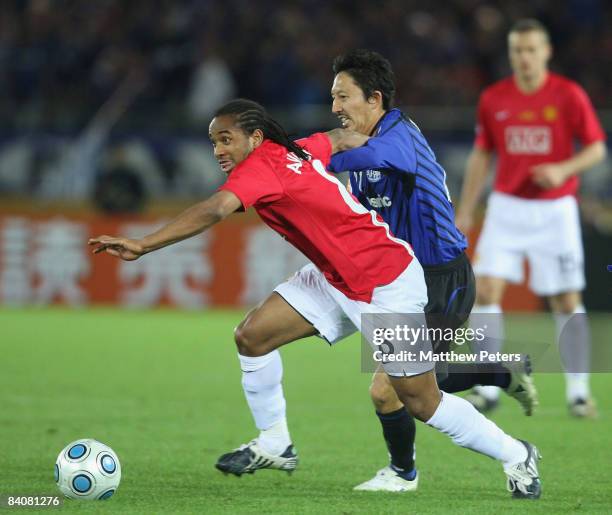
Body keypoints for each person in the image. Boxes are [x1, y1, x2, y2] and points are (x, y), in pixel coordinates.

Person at [89, 99, 541, 499]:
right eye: (213, 143)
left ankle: (517, 453)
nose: (218, 151)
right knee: (252, 336)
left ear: (255, 137)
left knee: (420, 401)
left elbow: (214, 210)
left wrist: (144, 244)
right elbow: (337, 138)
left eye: (226, 139)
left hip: (384, 280)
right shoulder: (292, 151)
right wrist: (352, 134)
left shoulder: (263, 167)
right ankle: (274, 443)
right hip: (334, 277)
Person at [326, 49, 537, 492]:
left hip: (442, 280)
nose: (336, 109)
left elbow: (366, 154)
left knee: (397, 390)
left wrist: (311, 153)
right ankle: (495, 373)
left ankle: (507, 436)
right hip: (404, 283)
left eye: (343, 97)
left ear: (375, 99)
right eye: (333, 98)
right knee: (395, 389)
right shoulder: (366, 154)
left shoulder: (401, 136)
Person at [455, 19, 607, 418]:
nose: (523, 57)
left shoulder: (568, 94)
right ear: (510, 55)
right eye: (517, 51)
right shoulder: (494, 98)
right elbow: (482, 154)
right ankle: (488, 385)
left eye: (530, 50)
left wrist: (563, 169)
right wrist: (466, 207)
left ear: (546, 52)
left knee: (566, 299)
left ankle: (578, 392)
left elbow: (595, 149)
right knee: (485, 291)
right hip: (506, 207)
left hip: (555, 209)